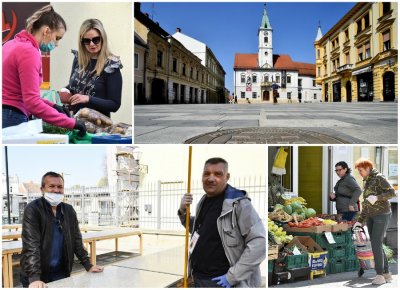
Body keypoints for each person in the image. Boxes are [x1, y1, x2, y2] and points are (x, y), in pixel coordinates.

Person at [178, 158, 265, 288]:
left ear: (227, 176)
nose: (211, 178)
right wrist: (183, 210)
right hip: (198, 278)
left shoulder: (239, 204)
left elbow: (259, 243)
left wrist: (232, 277)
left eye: (217, 174)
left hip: (222, 282)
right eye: (206, 174)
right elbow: (200, 230)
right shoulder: (203, 202)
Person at [2, 5, 86, 135]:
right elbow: (32, 103)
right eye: (57, 38)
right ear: (46, 31)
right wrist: (71, 123)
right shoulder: (29, 52)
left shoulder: (10, 45)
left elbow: (22, 94)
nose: (57, 44)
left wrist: (53, 106)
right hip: (12, 117)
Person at [20, 172, 104, 288]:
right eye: (51, 186)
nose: (56, 190)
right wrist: (34, 277)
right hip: (38, 276)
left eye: (60, 187)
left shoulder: (69, 210)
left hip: (61, 273)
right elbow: (31, 245)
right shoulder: (33, 209)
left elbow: (76, 240)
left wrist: (88, 265)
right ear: (42, 189)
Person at [64, 19, 122, 117]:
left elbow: (114, 104)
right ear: (81, 42)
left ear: (103, 38)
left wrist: (88, 99)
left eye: (96, 39)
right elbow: (74, 87)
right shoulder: (78, 60)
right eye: (86, 41)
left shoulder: (111, 66)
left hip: (98, 126)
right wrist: (64, 90)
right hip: (74, 122)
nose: (91, 44)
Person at [352, 158, 396, 285]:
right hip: (370, 216)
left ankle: (379, 275)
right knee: (376, 243)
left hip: (382, 215)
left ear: (367, 168)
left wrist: (377, 197)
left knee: (376, 243)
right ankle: (386, 273)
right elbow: (366, 202)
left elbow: (392, 192)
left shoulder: (379, 178)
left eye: (360, 170)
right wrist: (360, 220)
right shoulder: (367, 180)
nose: (359, 173)